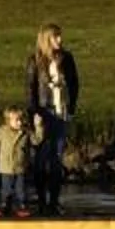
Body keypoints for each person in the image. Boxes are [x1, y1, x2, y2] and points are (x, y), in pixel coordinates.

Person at [26, 22, 81, 215]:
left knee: (57, 158)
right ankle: (41, 200)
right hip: (44, 113)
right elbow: (31, 90)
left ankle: (54, 201)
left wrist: (71, 108)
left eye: (60, 36)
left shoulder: (67, 59)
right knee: (42, 158)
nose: (60, 40)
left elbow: (74, 84)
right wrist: (33, 114)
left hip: (61, 112)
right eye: (55, 37)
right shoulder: (35, 61)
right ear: (46, 39)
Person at [0, 106, 34, 217]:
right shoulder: (2, 131)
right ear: (8, 121)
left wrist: (38, 126)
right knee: (6, 188)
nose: (19, 122)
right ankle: (5, 205)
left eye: (21, 119)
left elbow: (36, 140)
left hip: (20, 166)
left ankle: (21, 205)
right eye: (16, 120)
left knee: (21, 188)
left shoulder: (25, 132)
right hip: (6, 167)